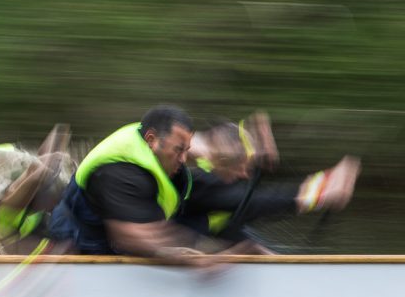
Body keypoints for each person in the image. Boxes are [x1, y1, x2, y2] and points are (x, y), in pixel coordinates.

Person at [48, 104, 212, 264]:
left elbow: (190, 143)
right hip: (81, 242)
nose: (183, 159)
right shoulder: (119, 174)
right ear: (151, 140)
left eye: (187, 150)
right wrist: (187, 253)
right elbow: (130, 236)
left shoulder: (151, 138)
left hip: (124, 220)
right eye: (178, 150)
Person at [179, 114, 360, 251]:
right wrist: (315, 194)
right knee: (239, 205)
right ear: (221, 160)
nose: (245, 174)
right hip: (175, 239)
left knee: (244, 234)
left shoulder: (211, 153)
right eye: (241, 168)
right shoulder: (196, 174)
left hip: (198, 227)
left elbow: (223, 140)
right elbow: (247, 203)